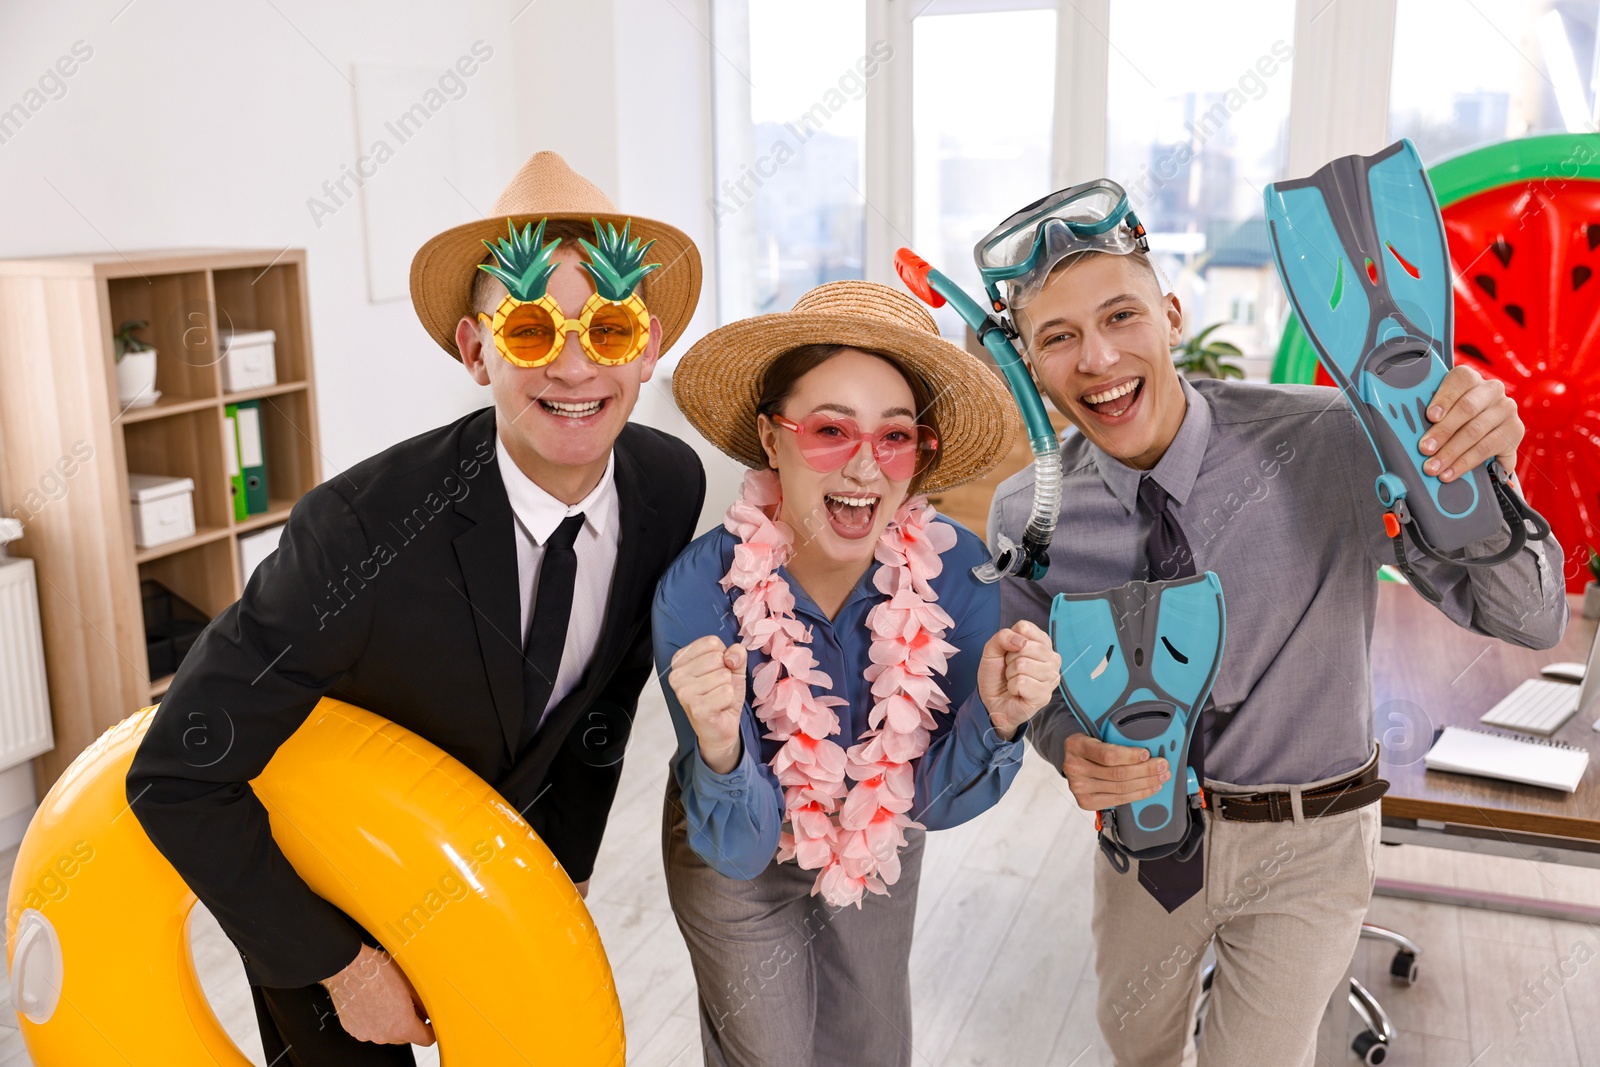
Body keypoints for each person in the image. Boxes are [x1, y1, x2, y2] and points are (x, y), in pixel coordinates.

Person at [126, 151, 707, 1066]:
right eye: (526, 330)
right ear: (475, 350)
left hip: (488, 880)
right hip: (323, 902)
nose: (572, 365)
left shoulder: (669, 486)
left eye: (608, 327)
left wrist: (567, 867)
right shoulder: (357, 535)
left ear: (649, 344)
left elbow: (607, 699)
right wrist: (341, 968)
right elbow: (174, 772)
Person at [983, 180, 1567, 1066]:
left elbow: (1527, 617)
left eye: (1121, 316)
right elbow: (1033, 689)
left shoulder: (1332, 440)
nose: (1097, 358)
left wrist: (1490, 480)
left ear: (1172, 314)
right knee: (1135, 1048)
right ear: (1028, 362)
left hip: (1311, 842)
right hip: (1144, 847)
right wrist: (1067, 743)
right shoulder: (1029, 512)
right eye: (1057, 337)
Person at [656, 280, 1062, 1067]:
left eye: (895, 436)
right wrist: (718, 744)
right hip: (733, 836)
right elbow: (737, 847)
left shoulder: (957, 575)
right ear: (772, 442)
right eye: (830, 430)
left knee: (871, 1047)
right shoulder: (697, 591)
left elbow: (936, 803)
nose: (865, 467)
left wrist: (998, 720)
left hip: (878, 842)